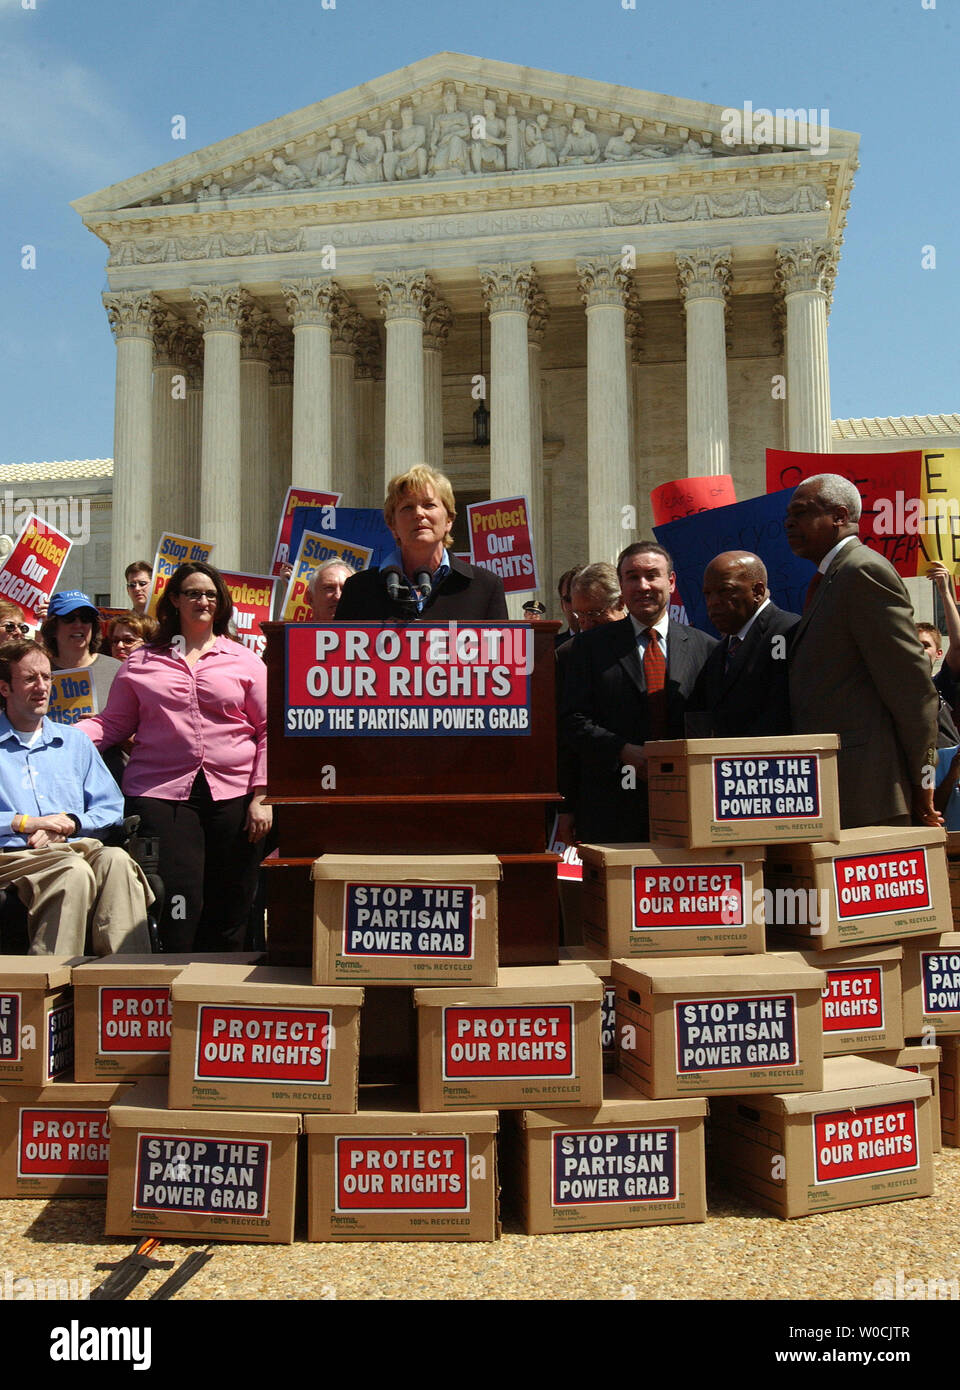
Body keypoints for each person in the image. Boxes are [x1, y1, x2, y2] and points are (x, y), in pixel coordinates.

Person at [80, 562, 270, 952]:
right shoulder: (141, 662)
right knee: (180, 902)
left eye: (211, 594)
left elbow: (268, 729)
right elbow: (113, 724)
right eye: (194, 593)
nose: (203, 601)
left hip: (234, 796)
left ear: (221, 604)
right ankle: (175, 993)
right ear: (175, 601)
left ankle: (220, 996)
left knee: (231, 902)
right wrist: (59, 739)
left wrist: (262, 794)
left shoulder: (245, 660)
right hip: (162, 795)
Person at [785, 473, 940, 829]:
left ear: (840, 516)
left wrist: (923, 782)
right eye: (787, 516)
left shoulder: (862, 570)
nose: (789, 523)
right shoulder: (833, 577)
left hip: (870, 792)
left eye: (802, 512)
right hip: (834, 786)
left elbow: (911, 688)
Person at [0, 639, 152, 954]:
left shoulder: (74, 743)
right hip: (12, 855)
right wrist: (27, 823)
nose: (41, 687)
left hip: (73, 845)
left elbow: (110, 808)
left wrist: (69, 822)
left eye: (46, 677)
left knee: (117, 861)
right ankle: (48, 986)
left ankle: (123, 987)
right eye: (30, 679)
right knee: (73, 871)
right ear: (4, 688)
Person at [559, 543, 716, 843]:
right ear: (621, 586)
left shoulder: (706, 648)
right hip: (610, 809)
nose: (643, 585)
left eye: (652, 575)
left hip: (689, 805)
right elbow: (571, 721)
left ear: (670, 582)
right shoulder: (586, 649)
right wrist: (621, 749)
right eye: (632, 577)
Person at [336, 465, 508, 621]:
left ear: (449, 519)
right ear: (392, 525)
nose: (418, 514)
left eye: (429, 505)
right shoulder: (359, 589)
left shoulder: (485, 587)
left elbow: (503, 652)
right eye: (407, 507)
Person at [686, 551, 799, 737]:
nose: (713, 602)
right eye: (708, 594)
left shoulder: (789, 632)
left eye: (725, 590)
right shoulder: (718, 653)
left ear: (758, 591)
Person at [556, 563, 627, 845]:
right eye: (580, 615)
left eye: (595, 615)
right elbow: (565, 739)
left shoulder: (653, 645)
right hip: (597, 798)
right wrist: (566, 806)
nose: (585, 624)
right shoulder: (567, 656)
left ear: (621, 602)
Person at [41, 591, 121, 712]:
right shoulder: (39, 673)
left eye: (86, 618)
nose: (78, 624)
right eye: (69, 618)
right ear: (53, 627)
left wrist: (103, 724)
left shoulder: (117, 670)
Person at [916, 619, 960, 746]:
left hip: (945, 762)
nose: (919, 650)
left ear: (939, 653)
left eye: (925, 645)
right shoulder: (894, 688)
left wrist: (946, 598)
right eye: (915, 645)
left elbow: (957, 645)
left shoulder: (941, 683)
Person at [555, 565, 584, 647]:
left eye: (581, 598)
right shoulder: (550, 648)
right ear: (562, 605)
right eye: (569, 599)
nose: (576, 606)